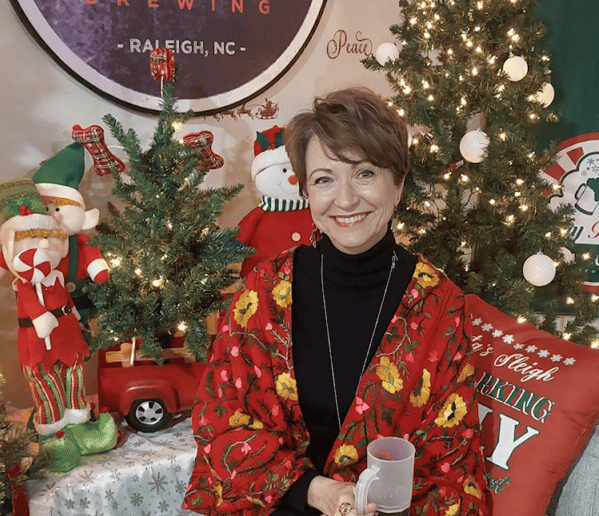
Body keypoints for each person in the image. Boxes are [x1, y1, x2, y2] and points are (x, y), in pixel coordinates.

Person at [184, 87, 489, 516]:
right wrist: (318, 491)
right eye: (324, 179)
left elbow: (451, 458)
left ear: (398, 184)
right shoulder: (264, 292)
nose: (344, 200)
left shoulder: (439, 305)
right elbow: (222, 423)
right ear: (306, 191)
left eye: (364, 173)